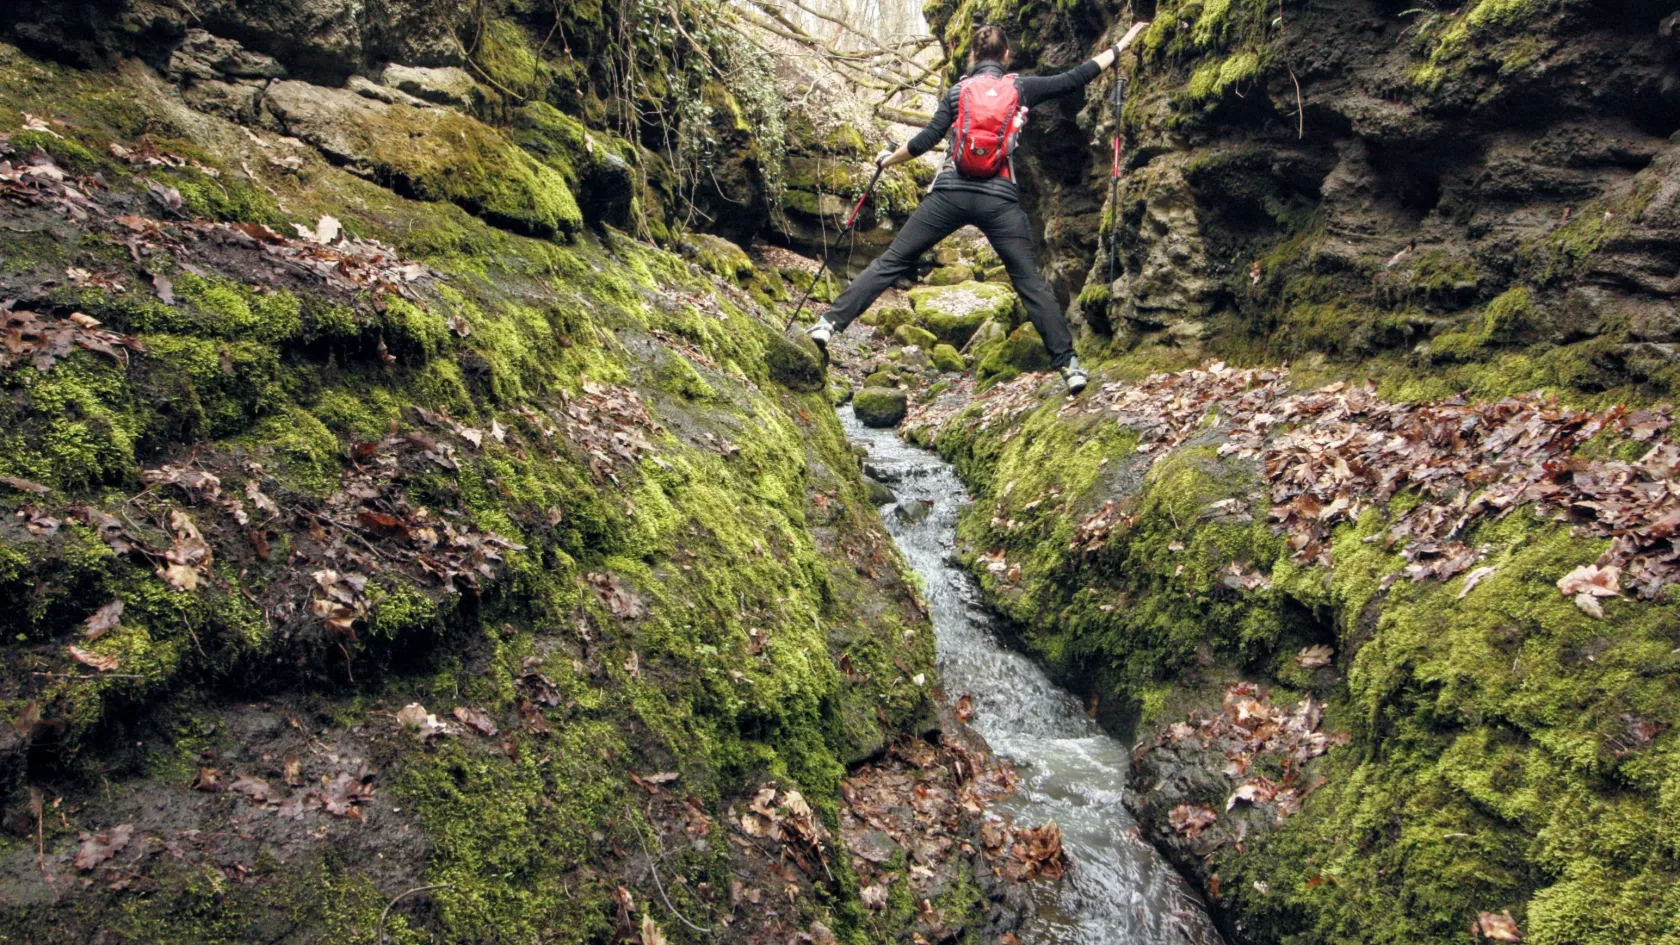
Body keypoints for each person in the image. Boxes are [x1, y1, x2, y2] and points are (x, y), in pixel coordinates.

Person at [807, 20, 1150, 395]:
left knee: (892, 261)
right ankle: (1069, 366)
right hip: (998, 198)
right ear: (1006, 55)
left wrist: (888, 160)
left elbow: (925, 141)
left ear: (972, 56)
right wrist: (1121, 45)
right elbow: (1075, 77)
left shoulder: (959, 91)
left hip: (951, 193)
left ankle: (829, 324)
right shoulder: (1021, 87)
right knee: (1029, 282)